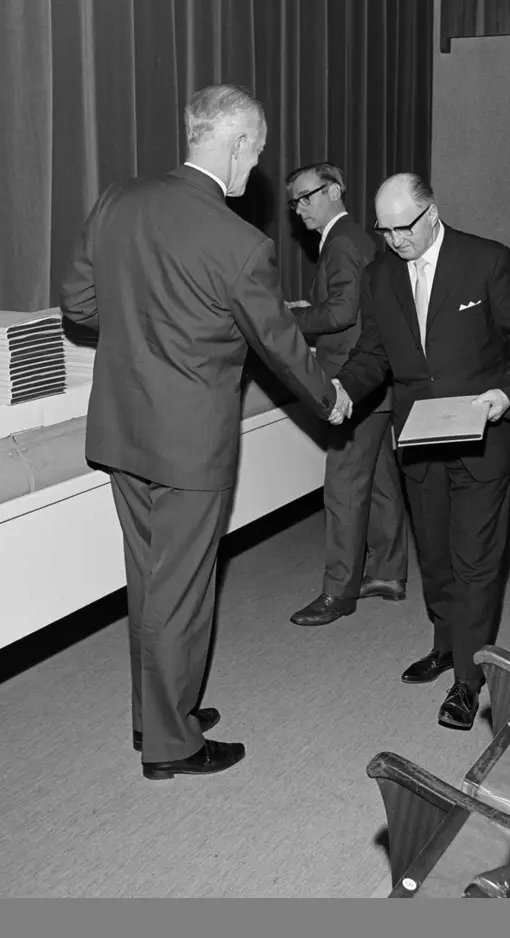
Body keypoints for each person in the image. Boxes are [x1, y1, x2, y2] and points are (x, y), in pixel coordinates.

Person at [59, 84, 350, 781]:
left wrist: (144, 327)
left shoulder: (117, 200)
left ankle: (153, 714)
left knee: (150, 581)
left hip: (122, 429)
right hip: (188, 442)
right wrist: (329, 399)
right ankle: (172, 745)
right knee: (183, 590)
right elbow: (279, 341)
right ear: (238, 142)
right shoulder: (239, 244)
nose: (257, 168)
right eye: (257, 152)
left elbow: (78, 304)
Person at [332, 174, 510, 731]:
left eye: (403, 228)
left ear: (432, 214)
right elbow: (372, 354)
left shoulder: (486, 260)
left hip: (485, 435)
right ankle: (446, 643)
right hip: (420, 439)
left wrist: (507, 392)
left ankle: (468, 680)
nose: (393, 240)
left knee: (475, 560)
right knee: (434, 555)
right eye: (384, 230)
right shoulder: (380, 275)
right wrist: (342, 391)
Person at [282, 162, 415, 628]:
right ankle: (388, 573)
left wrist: (286, 322)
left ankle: (338, 592)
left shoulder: (340, 242)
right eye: (294, 201)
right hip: (377, 382)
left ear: (335, 190)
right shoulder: (359, 238)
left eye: (307, 196)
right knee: (379, 481)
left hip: (351, 385)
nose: (299, 208)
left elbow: (340, 313)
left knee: (342, 488)